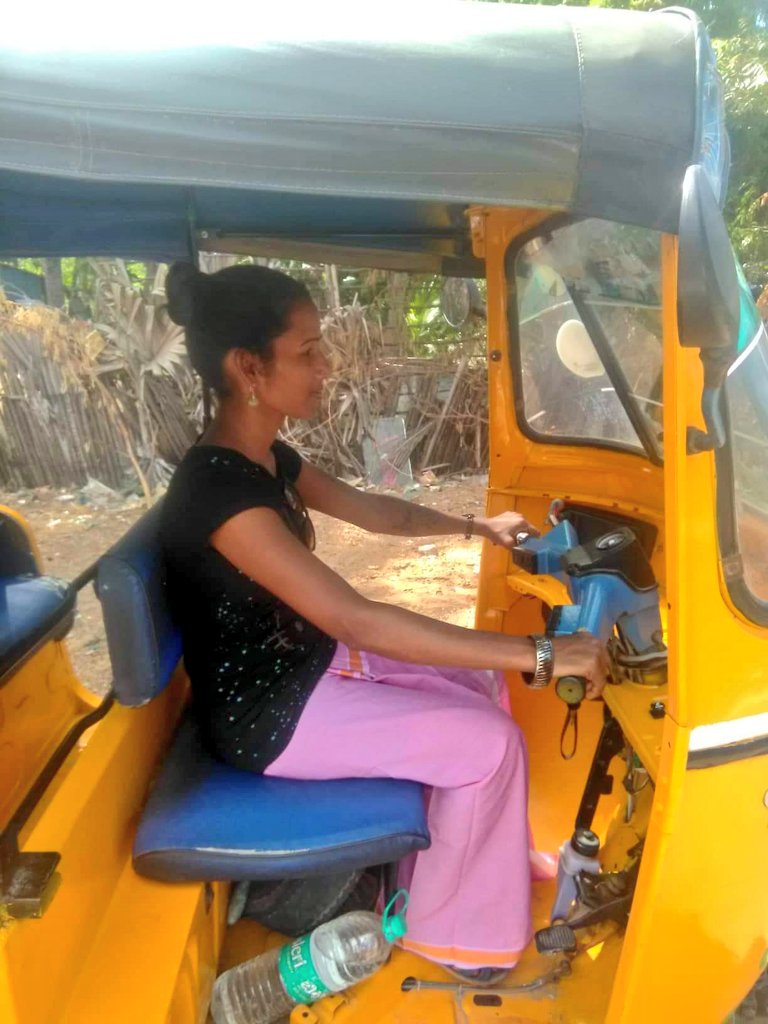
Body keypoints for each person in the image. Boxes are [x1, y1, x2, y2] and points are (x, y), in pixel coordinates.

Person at [160, 262, 608, 984]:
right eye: (306, 352)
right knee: (489, 744)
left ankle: (473, 861)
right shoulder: (220, 494)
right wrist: (542, 652)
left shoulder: (264, 457)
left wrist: (475, 523)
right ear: (248, 366)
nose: (326, 366)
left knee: (479, 688)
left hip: (306, 668)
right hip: (270, 715)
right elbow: (355, 619)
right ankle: (451, 939)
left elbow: (375, 510)